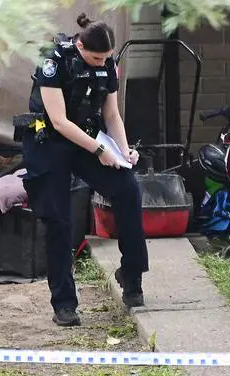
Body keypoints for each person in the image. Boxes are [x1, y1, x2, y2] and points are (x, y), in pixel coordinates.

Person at [18, 12, 148, 326]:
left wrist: (123, 151)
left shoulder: (108, 64)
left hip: (88, 139)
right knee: (59, 220)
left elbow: (112, 114)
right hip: (50, 142)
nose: (102, 63)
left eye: (106, 58)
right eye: (96, 58)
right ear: (80, 47)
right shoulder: (53, 62)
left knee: (128, 189)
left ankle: (132, 276)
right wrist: (100, 150)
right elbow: (59, 121)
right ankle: (64, 304)